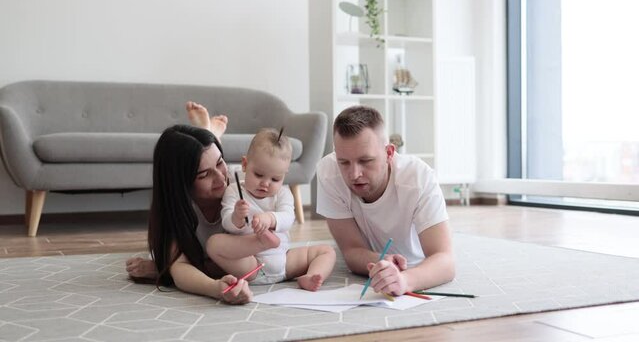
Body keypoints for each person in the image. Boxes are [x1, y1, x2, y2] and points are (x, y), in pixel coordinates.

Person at [125, 101, 274, 304]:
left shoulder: (240, 185)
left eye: (220, 162)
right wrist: (215, 288)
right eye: (204, 174)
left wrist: (163, 269)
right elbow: (181, 266)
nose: (221, 180)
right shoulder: (177, 206)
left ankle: (210, 133)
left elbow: (257, 259)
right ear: (181, 183)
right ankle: (208, 133)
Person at [316, 105, 455, 297]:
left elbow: (445, 261)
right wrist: (383, 261)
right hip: (383, 261)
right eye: (344, 162)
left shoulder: (418, 178)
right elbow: (351, 250)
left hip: (415, 265)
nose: (354, 174)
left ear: (389, 153)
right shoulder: (328, 171)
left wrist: (404, 281)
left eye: (366, 161)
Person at [207, 128, 336, 291]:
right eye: (259, 175)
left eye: (275, 179)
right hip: (250, 263)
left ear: (284, 175)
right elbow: (227, 222)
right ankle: (260, 242)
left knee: (327, 251)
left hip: (284, 261)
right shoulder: (233, 191)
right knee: (214, 244)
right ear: (245, 165)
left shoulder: (283, 193)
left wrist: (270, 219)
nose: (266, 183)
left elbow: (288, 218)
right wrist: (236, 217)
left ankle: (311, 276)